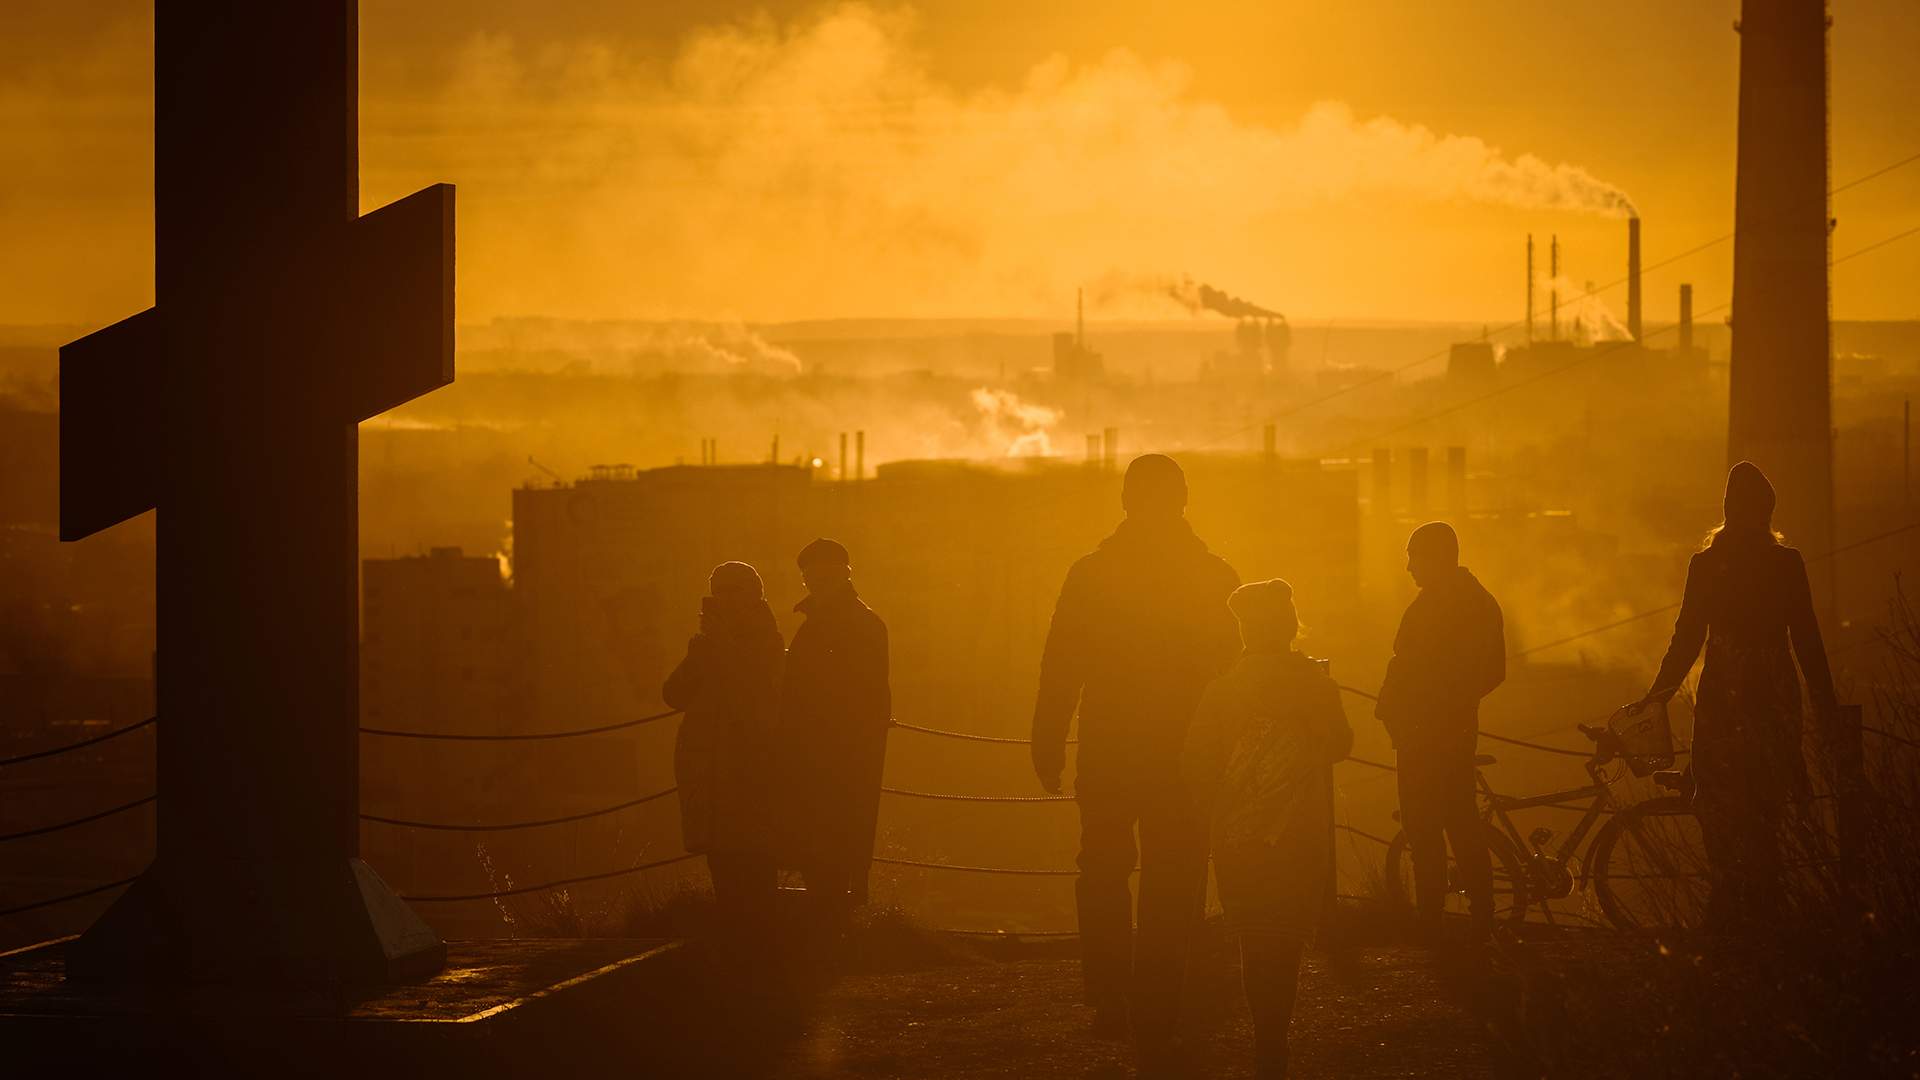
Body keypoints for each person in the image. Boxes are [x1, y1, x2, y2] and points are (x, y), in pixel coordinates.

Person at [1031, 453, 1242, 1069]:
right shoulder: (1214, 575)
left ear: (1125, 502)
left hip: (1110, 749)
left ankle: (1110, 996)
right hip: (1185, 754)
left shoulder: (1092, 573)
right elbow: (1234, 675)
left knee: (1101, 870)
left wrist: (1047, 737)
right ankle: (1157, 1002)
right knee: (1173, 879)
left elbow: (1060, 663)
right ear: (1184, 501)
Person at [1644, 461, 1835, 931]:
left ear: (1728, 510)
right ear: (1767, 512)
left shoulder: (1707, 565)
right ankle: (1766, 901)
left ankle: (1729, 899)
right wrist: (1825, 701)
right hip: (1773, 691)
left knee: (1719, 798)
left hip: (1724, 693)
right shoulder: (1785, 564)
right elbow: (1807, 637)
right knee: (1768, 799)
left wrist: (1659, 695)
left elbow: (1687, 637)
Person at [1183, 579, 1352, 1080]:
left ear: (1245, 630)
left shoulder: (1223, 689)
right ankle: (1275, 1038)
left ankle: (1266, 1040)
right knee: (1286, 936)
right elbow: (1341, 744)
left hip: (1238, 837)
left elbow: (1195, 762)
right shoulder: (1315, 685)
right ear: (1288, 627)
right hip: (1299, 836)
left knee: (1253, 937)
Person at [1375, 521, 1504, 942]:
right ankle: (1469, 918)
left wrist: (1427, 708)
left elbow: (1420, 669)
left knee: (1434, 827)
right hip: (1435, 731)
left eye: (1415, 556)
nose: (1409, 567)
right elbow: (1491, 672)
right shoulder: (1471, 603)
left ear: (1438, 557)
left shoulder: (1452, 605)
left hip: (1429, 735)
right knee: (1446, 824)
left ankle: (1437, 920)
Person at [661, 561, 784, 951]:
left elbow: (754, 694)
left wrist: (723, 647)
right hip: (709, 765)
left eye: (735, 590)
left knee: (753, 856)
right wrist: (702, 649)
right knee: (722, 856)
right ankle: (734, 942)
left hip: (750, 764)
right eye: (720, 591)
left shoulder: (767, 640)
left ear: (755, 594)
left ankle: (758, 945)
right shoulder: (709, 642)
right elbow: (673, 694)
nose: (726, 599)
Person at [781, 537, 892, 918]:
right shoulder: (859, 622)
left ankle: (829, 923)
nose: (815, 583)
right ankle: (831, 920)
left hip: (832, 755)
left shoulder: (848, 625)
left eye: (822, 575)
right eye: (812, 576)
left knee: (828, 839)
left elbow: (860, 696)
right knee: (829, 841)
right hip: (827, 755)